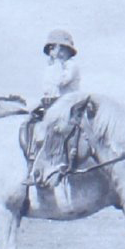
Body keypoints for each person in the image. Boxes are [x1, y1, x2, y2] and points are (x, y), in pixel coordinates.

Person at [23, 29, 81, 177]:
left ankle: (59, 161)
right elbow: (47, 88)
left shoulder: (70, 66)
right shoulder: (51, 68)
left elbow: (61, 82)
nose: (57, 53)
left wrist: (57, 63)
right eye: (54, 49)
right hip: (51, 103)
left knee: (56, 129)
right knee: (28, 121)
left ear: (68, 51)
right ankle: (31, 159)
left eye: (62, 49)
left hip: (66, 103)